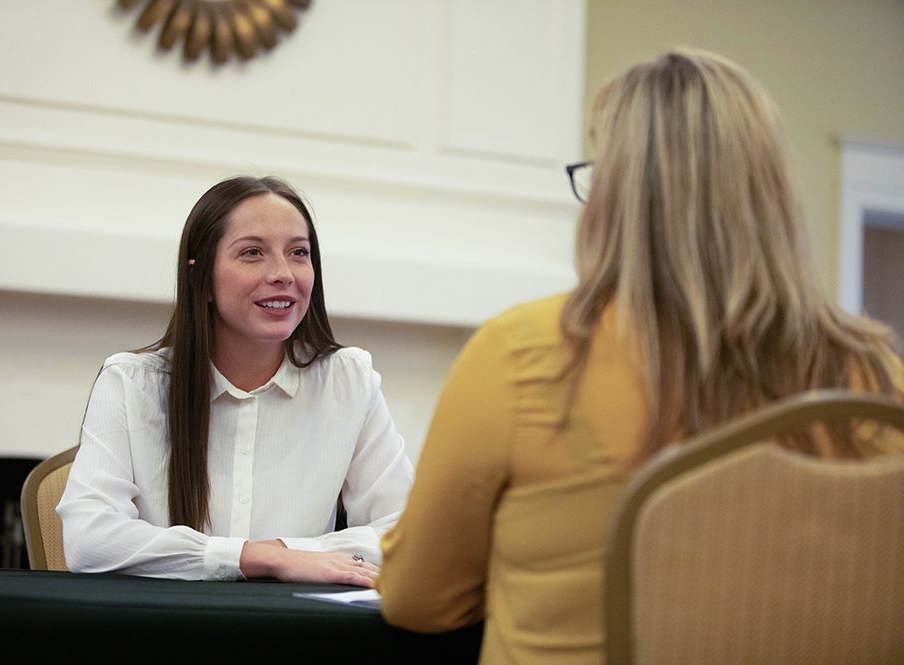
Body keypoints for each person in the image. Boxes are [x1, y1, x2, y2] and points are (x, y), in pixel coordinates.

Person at [377, 49, 904, 663]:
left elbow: (417, 600)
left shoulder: (520, 356)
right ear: (772, 195)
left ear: (618, 196)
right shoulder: (874, 374)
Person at [58, 176, 414, 586]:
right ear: (200, 279)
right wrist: (253, 558)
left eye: (298, 252)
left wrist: (288, 554)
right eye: (252, 253)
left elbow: (405, 534)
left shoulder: (349, 381)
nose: (283, 273)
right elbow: (89, 538)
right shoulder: (130, 383)